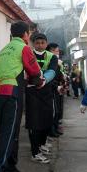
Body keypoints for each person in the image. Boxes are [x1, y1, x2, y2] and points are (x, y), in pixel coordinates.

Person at [0, 21, 43, 172]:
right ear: (26, 34)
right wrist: (39, 79)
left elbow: (11, 71)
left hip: (0, 93)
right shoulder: (23, 48)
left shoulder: (4, 50)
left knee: (12, 132)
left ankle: (10, 167)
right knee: (8, 133)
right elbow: (34, 70)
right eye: (29, 35)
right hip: (13, 93)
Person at [25, 34, 58, 164]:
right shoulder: (28, 54)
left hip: (46, 91)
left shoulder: (52, 57)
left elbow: (53, 70)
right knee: (34, 122)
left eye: (42, 42)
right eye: (37, 43)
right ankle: (35, 152)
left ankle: (41, 144)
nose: (40, 45)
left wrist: (43, 80)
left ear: (46, 43)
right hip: (31, 91)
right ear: (33, 43)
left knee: (46, 120)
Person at [46, 43, 65, 136]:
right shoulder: (48, 62)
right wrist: (56, 86)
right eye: (53, 50)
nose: (56, 53)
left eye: (57, 51)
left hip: (58, 89)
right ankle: (51, 130)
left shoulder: (58, 63)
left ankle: (55, 127)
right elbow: (50, 77)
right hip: (51, 89)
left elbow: (59, 75)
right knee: (53, 111)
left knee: (57, 110)